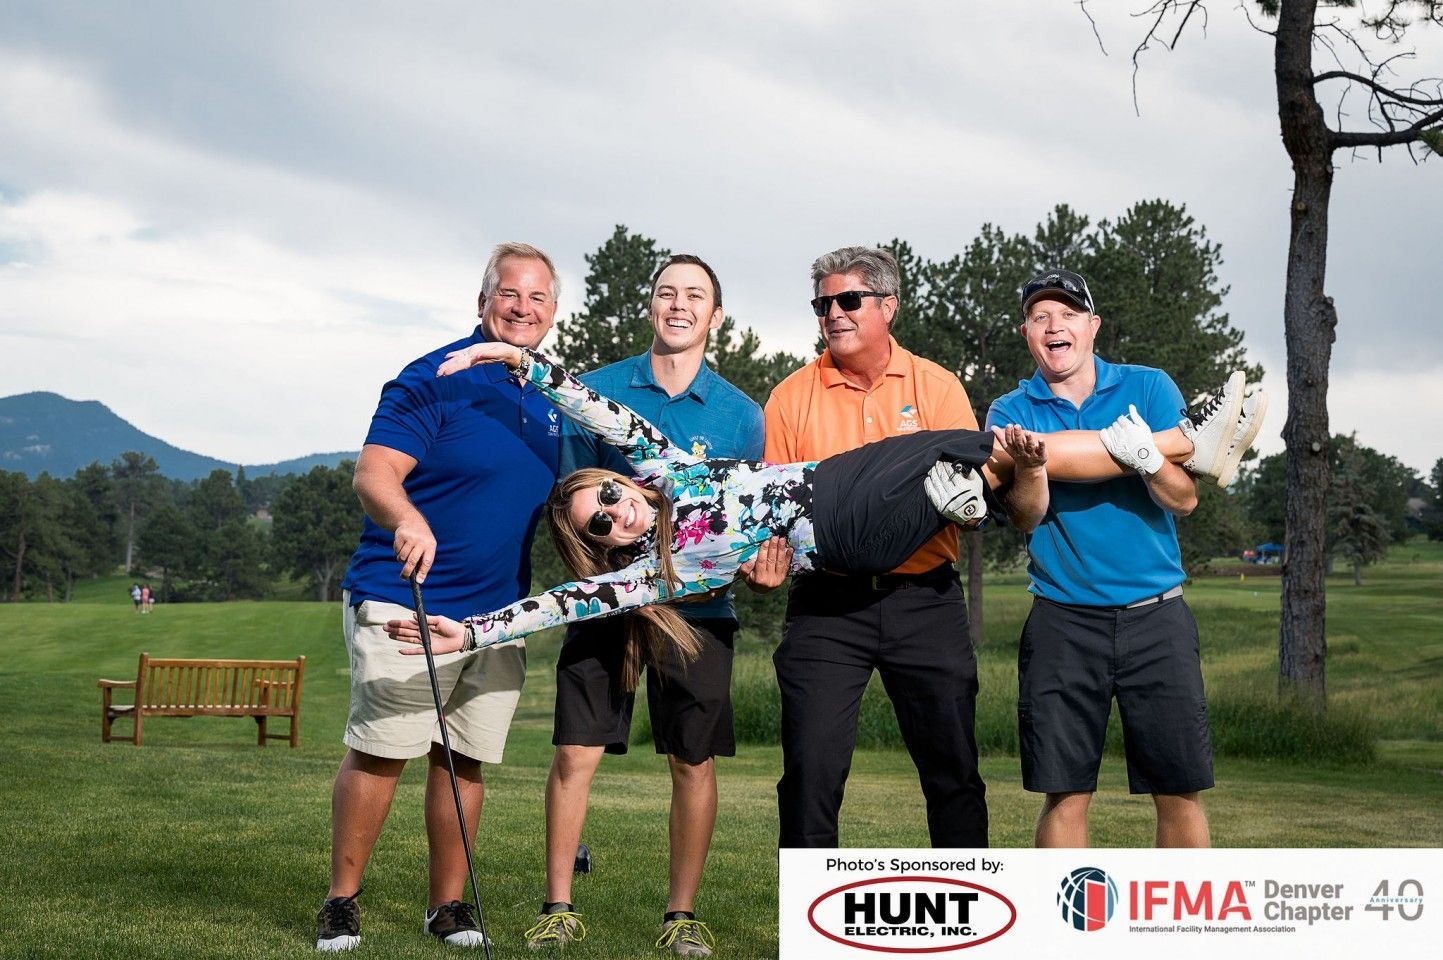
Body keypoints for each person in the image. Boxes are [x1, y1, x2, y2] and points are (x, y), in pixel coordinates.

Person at [384, 342, 1252, 662]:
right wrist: (472, 630)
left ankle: (966, 496)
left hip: (844, 481)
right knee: (962, 458)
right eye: (601, 526)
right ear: (608, 548)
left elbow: (596, 409)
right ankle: (1178, 447)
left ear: (627, 481)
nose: (615, 513)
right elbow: (558, 603)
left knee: (987, 455)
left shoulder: (672, 469)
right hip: (841, 532)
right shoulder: (659, 575)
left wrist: (517, 360)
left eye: (607, 495)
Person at [315, 243, 563, 952]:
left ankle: (447, 907)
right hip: (405, 599)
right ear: (482, 302)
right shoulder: (433, 376)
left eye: (537, 298)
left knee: (463, 759)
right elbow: (373, 474)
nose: (522, 308)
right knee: (381, 752)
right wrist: (408, 516)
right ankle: (341, 900)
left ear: (552, 312)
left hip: (493, 615)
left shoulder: (549, 393)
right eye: (509, 294)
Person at [525, 254, 766, 957]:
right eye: (667, 293)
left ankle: (681, 915)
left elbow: (739, 519)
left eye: (695, 295)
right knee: (575, 752)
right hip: (607, 602)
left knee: (692, 760)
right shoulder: (594, 390)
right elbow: (572, 503)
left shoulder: (740, 415)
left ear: (715, 316)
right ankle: (557, 906)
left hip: (698, 609)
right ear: (650, 306)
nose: (679, 305)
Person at [985, 269, 1268, 849]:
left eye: (1067, 313)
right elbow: (1024, 516)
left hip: (1156, 617)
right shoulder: (1010, 410)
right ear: (1026, 333)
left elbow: (1183, 499)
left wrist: (1148, 459)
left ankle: (1176, 937)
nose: (1054, 325)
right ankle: (1193, 438)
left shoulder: (1148, 386)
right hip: (1063, 618)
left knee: (1179, 789)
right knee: (1064, 794)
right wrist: (1034, 468)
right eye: (1040, 316)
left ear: (1093, 326)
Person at [761, 245, 993, 849]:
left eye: (848, 300)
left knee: (953, 773)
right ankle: (813, 937)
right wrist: (765, 562)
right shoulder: (791, 397)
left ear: (888, 306)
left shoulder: (937, 386)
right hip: (827, 606)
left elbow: (972, 499)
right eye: (822, 303)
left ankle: (970, 929)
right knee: (811, 773)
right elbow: (777, 516)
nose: (833, 313)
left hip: (926, 600)